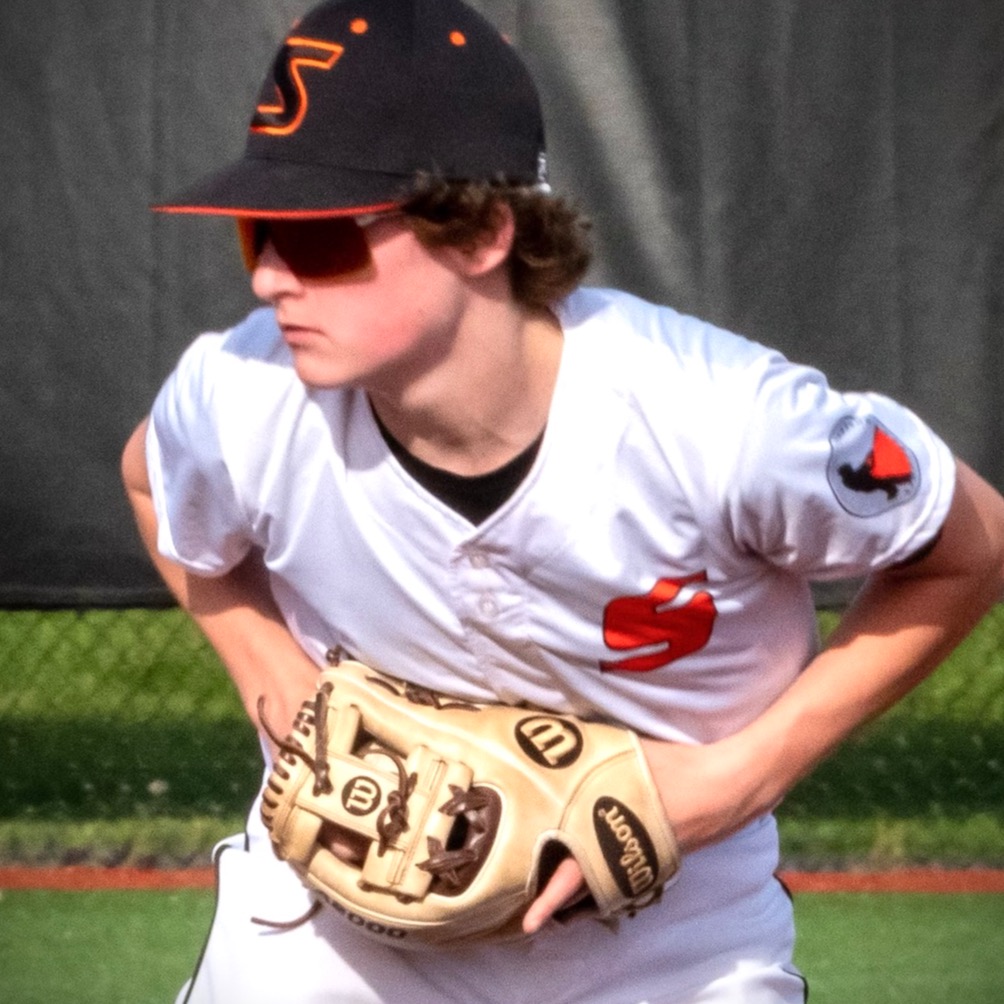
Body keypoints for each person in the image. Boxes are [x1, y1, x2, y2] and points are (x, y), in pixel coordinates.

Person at [121, 0, 1004, 1001]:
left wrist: (742, 776)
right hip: (331, 919)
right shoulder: (243, 392)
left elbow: (967, 543)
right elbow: (150, 479)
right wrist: (263, 659)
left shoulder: (720, 420)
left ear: (481, 233)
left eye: (320, 237)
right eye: (259, 233)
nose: (272, 278)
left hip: (667, 936)